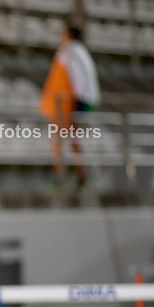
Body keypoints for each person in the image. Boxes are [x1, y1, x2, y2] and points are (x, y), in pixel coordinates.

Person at [40, 22, 100, 188]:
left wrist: (74, 102)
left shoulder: (71, 52)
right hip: (73, 101)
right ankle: (78, 175)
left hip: (69, 102)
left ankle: (67, 176)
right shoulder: (79, 52)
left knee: (62, 139)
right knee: (69, 139)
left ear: (69, 35)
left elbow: (76, 79)